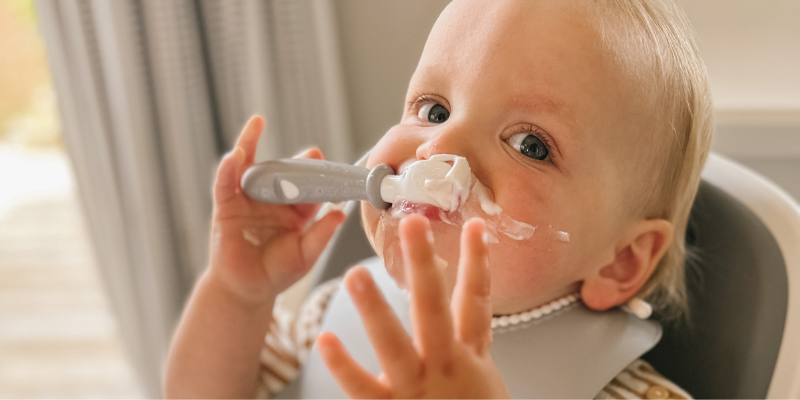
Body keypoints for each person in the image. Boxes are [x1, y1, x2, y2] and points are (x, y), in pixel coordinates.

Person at [164, 0, 712, 398]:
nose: (439, 148)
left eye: (530, 145)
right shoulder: (335, 312)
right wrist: (238, 294)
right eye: (433, 110)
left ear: (620, 259)